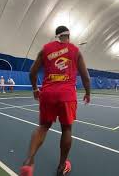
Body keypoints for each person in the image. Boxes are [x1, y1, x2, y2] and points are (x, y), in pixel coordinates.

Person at [20, 26, 91, 176]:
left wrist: (35, 89)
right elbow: (85, 77)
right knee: (66, 129)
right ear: (68, 36)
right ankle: (61, 166)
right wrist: (88, 93)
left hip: (48, 94)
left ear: (56, 36)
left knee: (43, 127)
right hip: (67, 96)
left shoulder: (45, 49)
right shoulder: (75, 50)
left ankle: (29, 161)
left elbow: (32, 72)